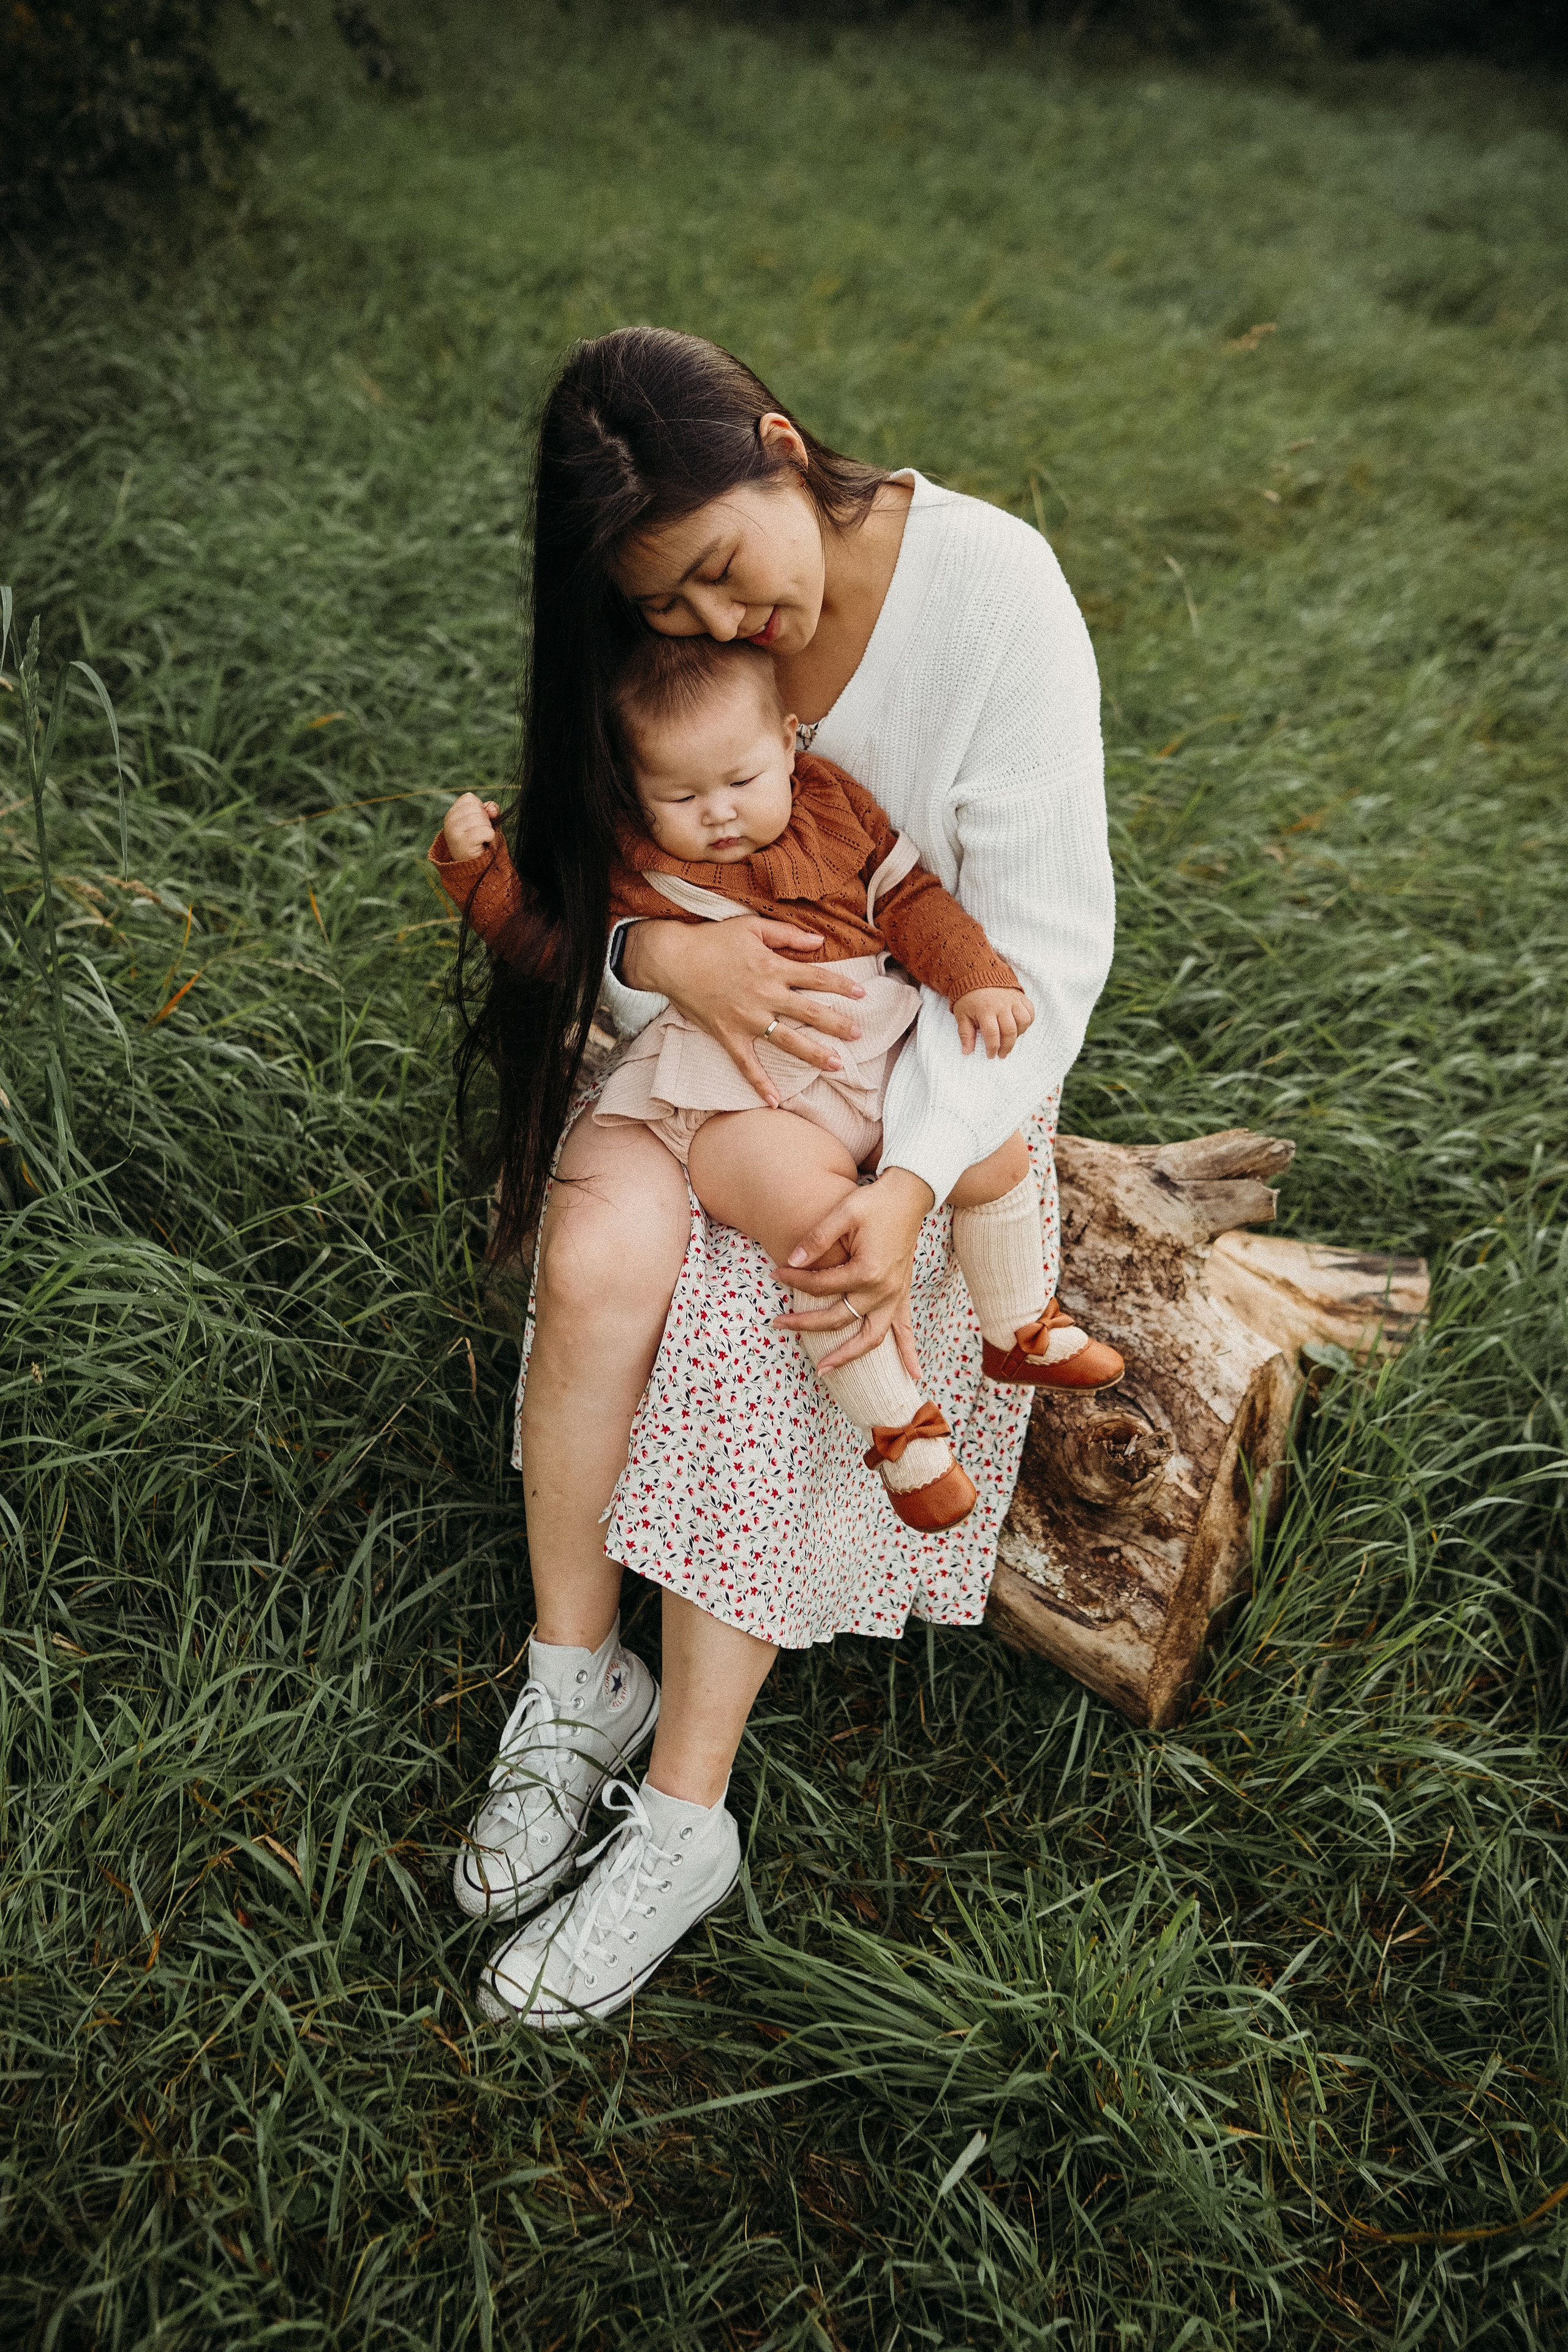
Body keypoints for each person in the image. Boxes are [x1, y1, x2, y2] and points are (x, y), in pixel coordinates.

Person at [443, 328, 1115, 2031]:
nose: (719, 625)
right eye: (667, 607)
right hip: (694, 1063)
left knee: (765, 1307)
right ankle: (573, 1677)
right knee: (599, 1260)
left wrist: (914, 1178)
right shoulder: (663, 633)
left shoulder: (995, 595)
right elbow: (597, 899)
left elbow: (1041, 959)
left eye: (724, 571)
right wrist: (662, 961)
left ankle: (683, 1821)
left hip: (917, 1081)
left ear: (782, 443)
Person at [432, 631, 1121, 1537]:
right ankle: (901, 1436)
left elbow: (911, 901)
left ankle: (1019, 1326)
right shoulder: (635, 860)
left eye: (741, 780)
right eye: (681, 796)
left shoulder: (835, 807)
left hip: (874, 1055)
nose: (718, 813)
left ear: (791, 742)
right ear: (636, 791)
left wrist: (975, 976)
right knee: (820, 1232)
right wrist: (478, 874)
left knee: (993, 1153)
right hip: (744, 1097)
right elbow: (550, 943)